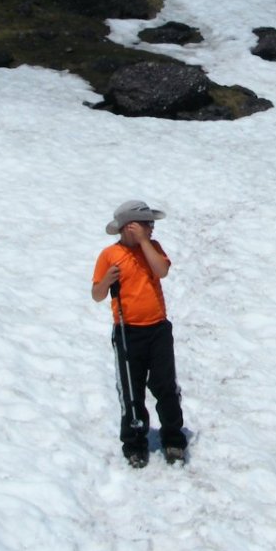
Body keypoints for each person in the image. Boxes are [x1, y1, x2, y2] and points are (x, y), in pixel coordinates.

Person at [91, 200, 188, 467]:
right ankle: (134, 442)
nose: (152, 229)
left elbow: (162, 270)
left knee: (165, 386)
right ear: (129, 226)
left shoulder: (153, 248)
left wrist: (145, 242)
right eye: (147, 224)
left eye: (151, 225)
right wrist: (107, 281)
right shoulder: (109, 256)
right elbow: (97, 294)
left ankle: (173, 438)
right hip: (127, 332)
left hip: (157, 328)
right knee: (131, 389)